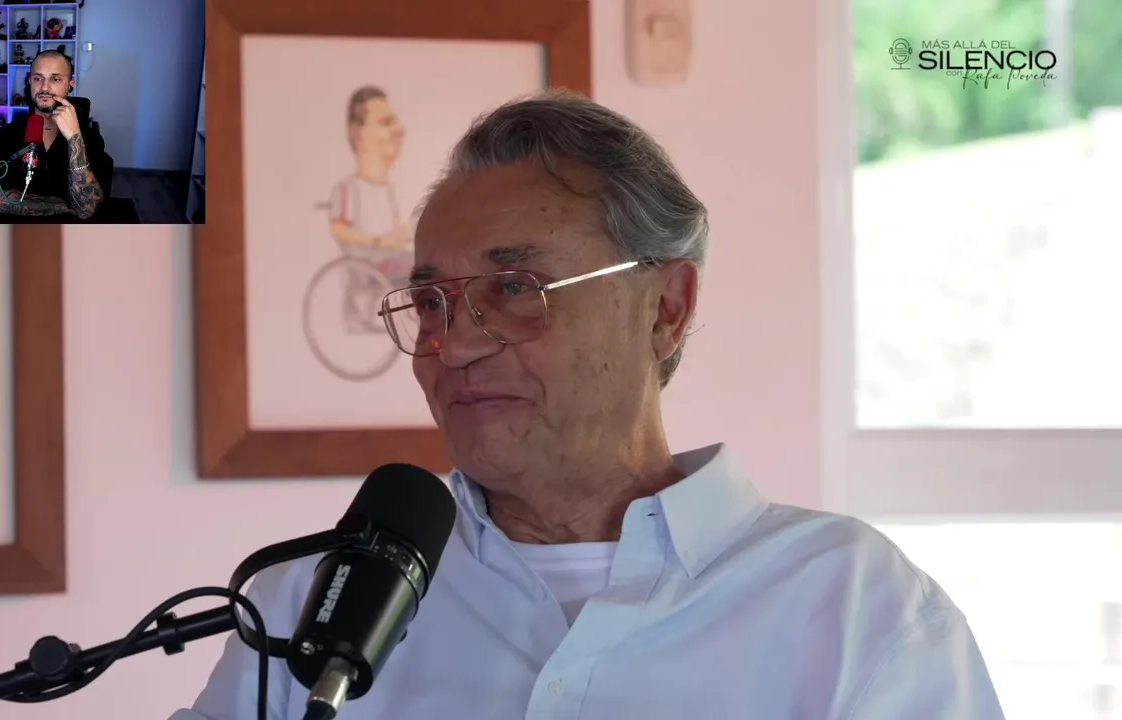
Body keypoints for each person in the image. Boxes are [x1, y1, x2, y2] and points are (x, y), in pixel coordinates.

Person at [172, 91, 1005, 719]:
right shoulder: (304, 608)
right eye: (430, 303)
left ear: (665, 308)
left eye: (513, 288)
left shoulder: (858, 609)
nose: (452, 346)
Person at [326, 86, 412, 332]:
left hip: (386, 261)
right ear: (358, 133)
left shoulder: (388, 192)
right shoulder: (348, 190)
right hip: (366, 266)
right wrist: (379, 241)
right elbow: (339, 229)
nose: (398, 130)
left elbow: (395, 233)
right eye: (385, 122)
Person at [0, 50, 108, 219]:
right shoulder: (9, 133)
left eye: (55, 79)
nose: (44, 87)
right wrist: (66, 207)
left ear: (70, 85)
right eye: (38, 78)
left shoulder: (89, 137)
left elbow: (87, 207)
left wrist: (74, 138)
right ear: (30, 82)